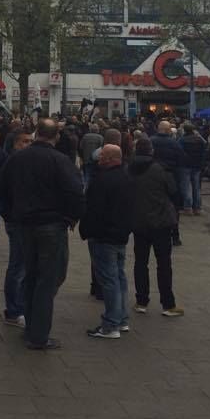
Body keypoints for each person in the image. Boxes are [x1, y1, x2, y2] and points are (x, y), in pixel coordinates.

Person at [0, 118, 85, 350]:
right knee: (49, 277)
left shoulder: (17, 158)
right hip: (51, 225)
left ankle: (31, 327)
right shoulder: (60, 160)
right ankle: (38, 335)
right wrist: (71, 216)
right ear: (56, 137)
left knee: (31, 275)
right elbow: (75, 191)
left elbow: (0, 188)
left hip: (24, 224)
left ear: (36, 134)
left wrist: (10, 215)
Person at [80, 144, 134, 339]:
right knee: (119, 277)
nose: (99, 158)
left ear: (111, 158)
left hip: (103, 235)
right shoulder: (127, 178)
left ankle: (111, 324)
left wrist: (87, 230)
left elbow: (93, 209)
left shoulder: (102, 180)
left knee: (109, 279)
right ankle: (122, 319)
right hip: (120, 234)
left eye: (102, 156)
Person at [128, 135, 182, 318]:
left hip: (138, 221)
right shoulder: (160, 170)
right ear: (151, 151)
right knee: (164, 263)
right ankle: (168, 303)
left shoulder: (129, 169)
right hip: (161, 221)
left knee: (140, 262)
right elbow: (174, 192)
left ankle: (141, 301)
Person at [0, 129, 32, 328]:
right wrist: (9, 213)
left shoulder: (26, 162)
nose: (29, 144)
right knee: (18, 265)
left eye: (31, 141)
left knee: (22, 264)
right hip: (16, 219)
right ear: (15, 144)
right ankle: (13, 309)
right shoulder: (12, 162)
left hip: (24, 219)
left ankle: (18, 306)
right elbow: (2, 189)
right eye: (25, 141)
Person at [177, 123, 207, 215]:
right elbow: (204, 149)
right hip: (197, 165)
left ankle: (188, 207)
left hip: (185, 165)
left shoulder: (182, 140)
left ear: (185, 130)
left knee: (186, 187)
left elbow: (179, 152)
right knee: (196, 187)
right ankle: (197, 208)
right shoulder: (199, 139)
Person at [79, 125, 104, 190]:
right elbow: (102, 148)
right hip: (97, 160)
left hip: (86, 158)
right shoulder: (100, 137)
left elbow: (81, 147)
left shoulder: (85, 136)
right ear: (97, 130)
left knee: (87, 174)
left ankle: (86, 189)